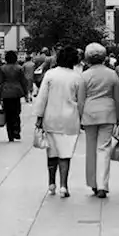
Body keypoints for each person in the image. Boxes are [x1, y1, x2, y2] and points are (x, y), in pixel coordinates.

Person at [35, 45, 87, 198]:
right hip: (70, 120)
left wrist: (39, 117)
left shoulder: (50, 75)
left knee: (52, 153)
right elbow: (81, 102)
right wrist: (82, 119)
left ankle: (51, 183)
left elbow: (42, 97)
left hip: (51, 118)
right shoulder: (78, 77)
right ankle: (64, 186)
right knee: (65, 154)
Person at [80, 43, 119, 199]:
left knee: (90, 149)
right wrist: (118, 117)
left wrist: (80, 117)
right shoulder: (112, 74)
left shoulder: (84, 75)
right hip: (108, 113)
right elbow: (118, 98)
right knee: (104, 149)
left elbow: (80, 100)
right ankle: (103, 185)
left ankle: (93, 183)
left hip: (89, 113)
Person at [0, 51, 28, 142]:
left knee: (8, 113)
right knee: (16, 112)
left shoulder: (2, 68)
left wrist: (0, 94)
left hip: (5, 92)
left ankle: (10, 134)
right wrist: (26, 93)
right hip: (16, 92)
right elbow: (23, 81)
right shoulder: (19, 68)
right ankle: (16, 130)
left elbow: (0, 82)